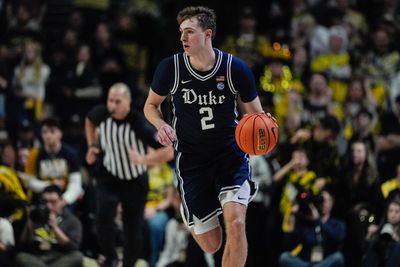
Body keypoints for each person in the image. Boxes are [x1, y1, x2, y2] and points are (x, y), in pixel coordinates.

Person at [143, 6, 267, 267]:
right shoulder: (171, 68)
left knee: (236, 222)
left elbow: (257, 116)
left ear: (207, 34)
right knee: (213, 243)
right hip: (192, 161)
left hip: (229, 156)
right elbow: (150, 106)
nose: (183, 38)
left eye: (189, 32)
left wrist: (265, 126)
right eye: (181, 33)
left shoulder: (235, 68)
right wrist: (161, 125)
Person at [85, 82, 173, 267]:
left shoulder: (139, 123)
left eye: (118, 102)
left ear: (128, 102)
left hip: (135, 180)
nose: (112, 106)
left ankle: (128, 264)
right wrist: (92, 145)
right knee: (103, 218)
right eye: (110, 100)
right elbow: (89, 120)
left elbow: (169, 151)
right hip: (109, 175)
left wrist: (144, 160)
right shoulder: (102, 114)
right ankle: (110, 258)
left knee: (132, 229)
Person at [14, 185, 83, 267]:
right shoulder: (34, 215)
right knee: (20, 257)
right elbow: (21, 245)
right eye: (45, 201)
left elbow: (73, 247)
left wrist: (55, 227)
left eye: (53, 202)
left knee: (77, 256)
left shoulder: (71, 220)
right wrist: (29, 224)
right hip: (36, 257)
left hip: (58, 257)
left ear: (61, 201)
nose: (48, 206)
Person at [23, 117, 83, 206]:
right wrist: (50, 184)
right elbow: (29, 181)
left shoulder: (71, 154)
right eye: (45, 132)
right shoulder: (34, 154)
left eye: (52, 131)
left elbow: (75, 183)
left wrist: (64, 200)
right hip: (41, 198)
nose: (48, 135)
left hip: (64, 197)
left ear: (60, 134)